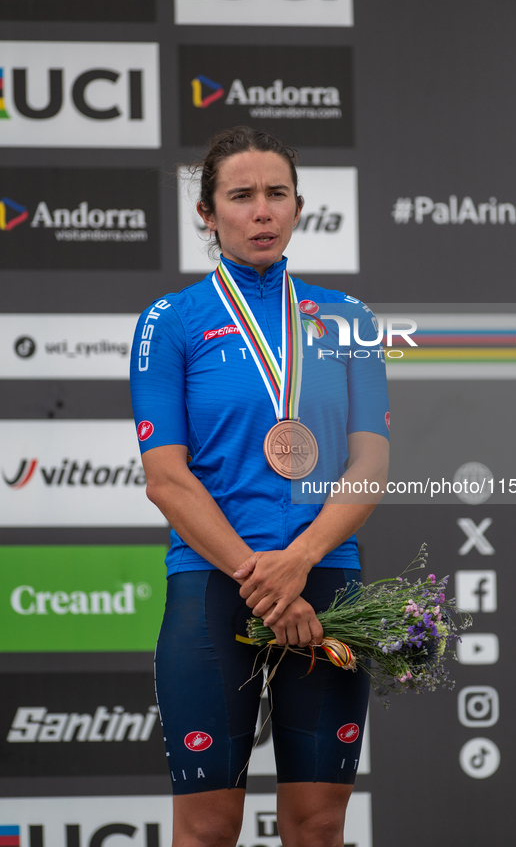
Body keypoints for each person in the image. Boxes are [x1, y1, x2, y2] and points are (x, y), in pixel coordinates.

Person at [130, 126, 390, 847]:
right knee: (209, 827)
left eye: (276, 194)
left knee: (317, 825)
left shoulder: (347, 320)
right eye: (240, 196)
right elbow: (166, 480)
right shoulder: (170, 323)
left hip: (327, 580)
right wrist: (265, 580)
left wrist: (300, 560)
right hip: (215, 586)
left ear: (299, 208)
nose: (261, 211)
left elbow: (368, 466)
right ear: (207, 215)